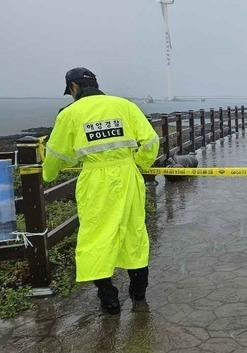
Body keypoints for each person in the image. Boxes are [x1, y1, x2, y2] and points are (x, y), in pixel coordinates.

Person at [42, 67, 159, 314]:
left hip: (95, 181)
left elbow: (55, 154)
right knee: (133, 233)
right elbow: (151, 141)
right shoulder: (124, 106)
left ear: (73, 87)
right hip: (128, 176)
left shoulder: (70, 114)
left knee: (96, 237)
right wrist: (139, 162)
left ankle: (109, 299)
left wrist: (46, 175)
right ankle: (139, 293)